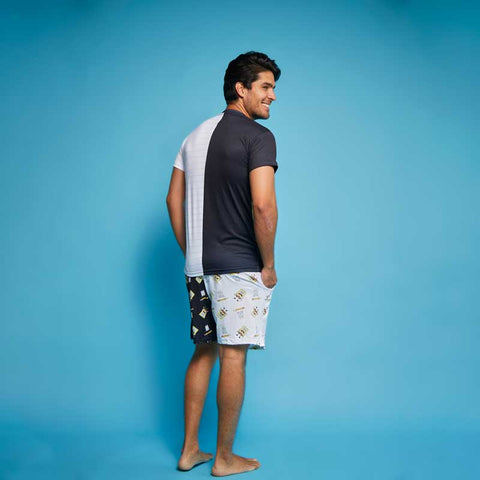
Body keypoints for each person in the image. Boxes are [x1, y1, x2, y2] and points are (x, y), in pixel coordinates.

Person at [166, 51, 281, 477]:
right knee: (233, 357)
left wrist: (191, 251)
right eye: (265, 87)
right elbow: (263, 206)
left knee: (204, 351)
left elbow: (172, 200)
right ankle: (225, 458)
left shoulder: (194, 135)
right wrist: (268, 264)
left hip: (198, 266)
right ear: (241, 89)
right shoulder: (258, 137)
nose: (272, 96)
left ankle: (189, 451)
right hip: (238, 267)